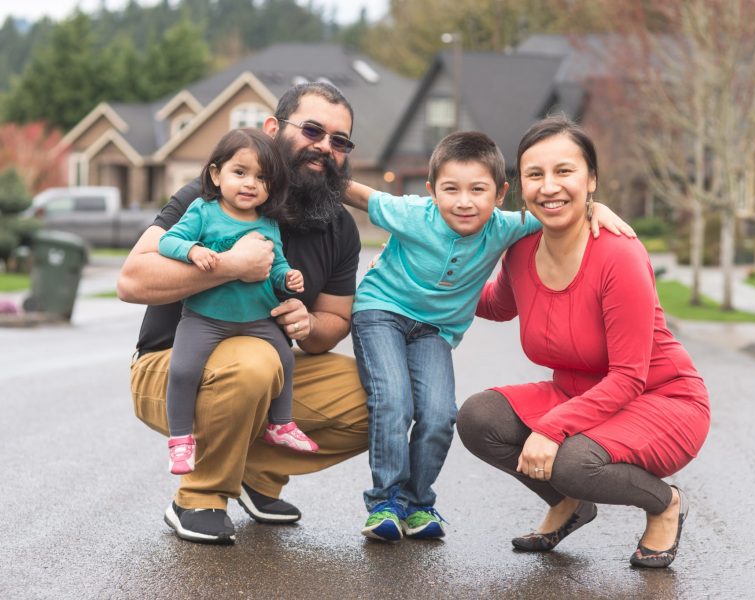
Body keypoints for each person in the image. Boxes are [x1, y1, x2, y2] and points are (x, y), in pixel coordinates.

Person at [343, 131, 634, 542]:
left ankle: (419, 503)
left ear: (500, 194)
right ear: (432, 191)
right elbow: (357, 194)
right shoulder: (411, 213)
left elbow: (556, 210)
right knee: (394, 401)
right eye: (451, 190)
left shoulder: (505, 227)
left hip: (435, 331)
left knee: (441, 415)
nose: (464, 201)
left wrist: (594, 206)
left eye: (478, 190)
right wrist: (301, 171)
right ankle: (386, 502)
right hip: (381, 312)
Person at [118, 82, 367, 545]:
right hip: (174, 367)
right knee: (254, 361)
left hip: (263, 374)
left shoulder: (338, 226)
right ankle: (200, 496)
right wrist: (228, 267)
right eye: (312, 130)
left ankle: (256, 473)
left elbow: (333, 322)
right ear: (273, 129)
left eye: (339, 141)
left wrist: (309, 325)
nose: (324, 147)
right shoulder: (213, 196)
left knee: (382, 397)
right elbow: (131, 280)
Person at [456, 116, 711, 568]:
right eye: (535, 174)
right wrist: (428, 282)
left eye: (565, 171)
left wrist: (552, 429)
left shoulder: (618, 254)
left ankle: (665, 503)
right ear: (521, 185)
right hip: (580, 394)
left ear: (591, 179)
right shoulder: (522, 248)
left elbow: (630, 377)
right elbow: (497, 304)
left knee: (572, 460)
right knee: (479, 417)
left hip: (661, 399)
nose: (549, 186)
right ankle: (571, 503)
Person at [159, 128, 318, 477]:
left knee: (285, 360)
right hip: (205, 316)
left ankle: (281, 424)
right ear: (217, 174)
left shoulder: (268, 223)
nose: (250, 184)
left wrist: (287, 277)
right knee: (184, 370)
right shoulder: (203, 211)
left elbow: (275, 265)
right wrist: (192, 249)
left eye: (262, 178)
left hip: (258, 317)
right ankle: (181, 440)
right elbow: (168, 241)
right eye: (240, 172)